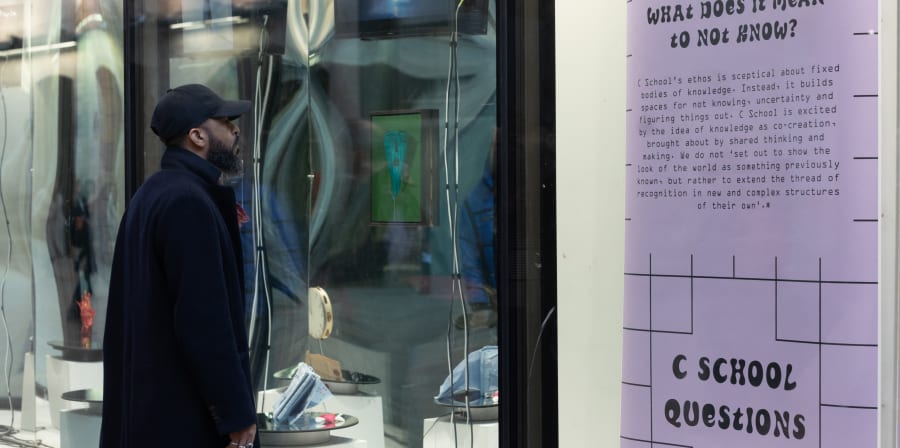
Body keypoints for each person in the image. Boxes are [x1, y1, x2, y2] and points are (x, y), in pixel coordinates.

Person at [101, 84, 259, 448]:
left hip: (153, 413)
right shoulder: (188, 202)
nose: (235, 130)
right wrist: (235, 412)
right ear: (197, 135)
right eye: (225, 121)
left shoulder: (153, 194)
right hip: (183, 417)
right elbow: (204, 322)